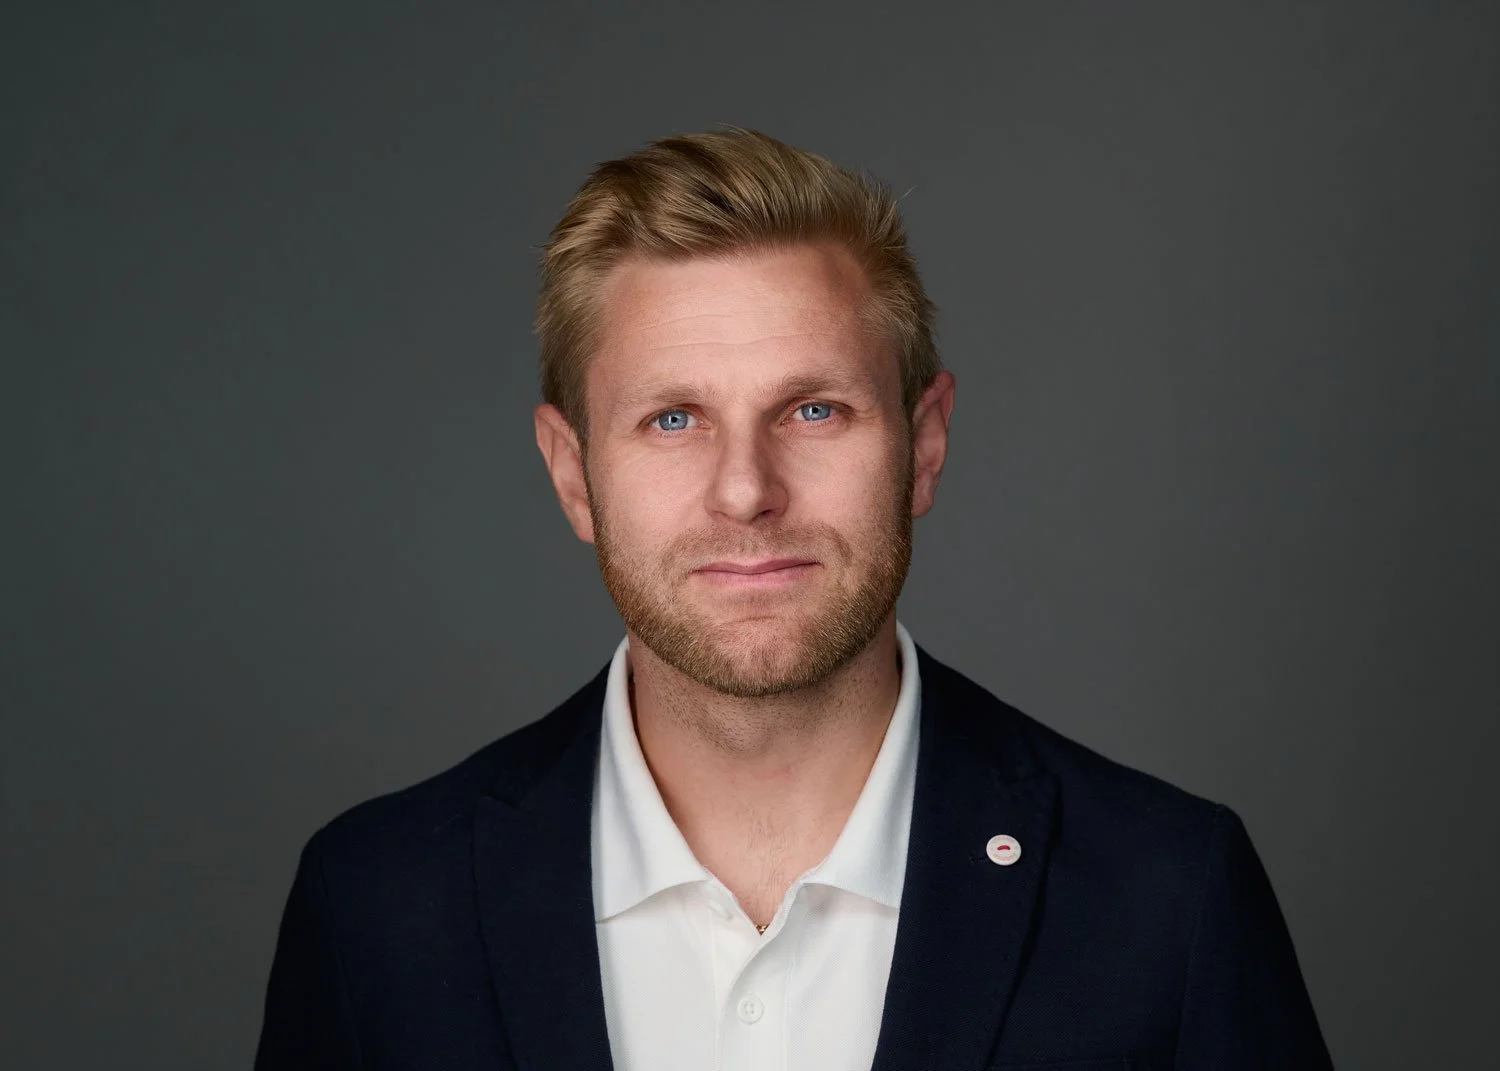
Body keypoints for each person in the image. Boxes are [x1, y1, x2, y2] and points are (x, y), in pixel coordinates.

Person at [255, 128, 1332, 1070]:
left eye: (814, 410)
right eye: (673, 419)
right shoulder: (377, 909)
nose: (746, 491)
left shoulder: (1168, 894)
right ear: (572, 473)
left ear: (925, 445)